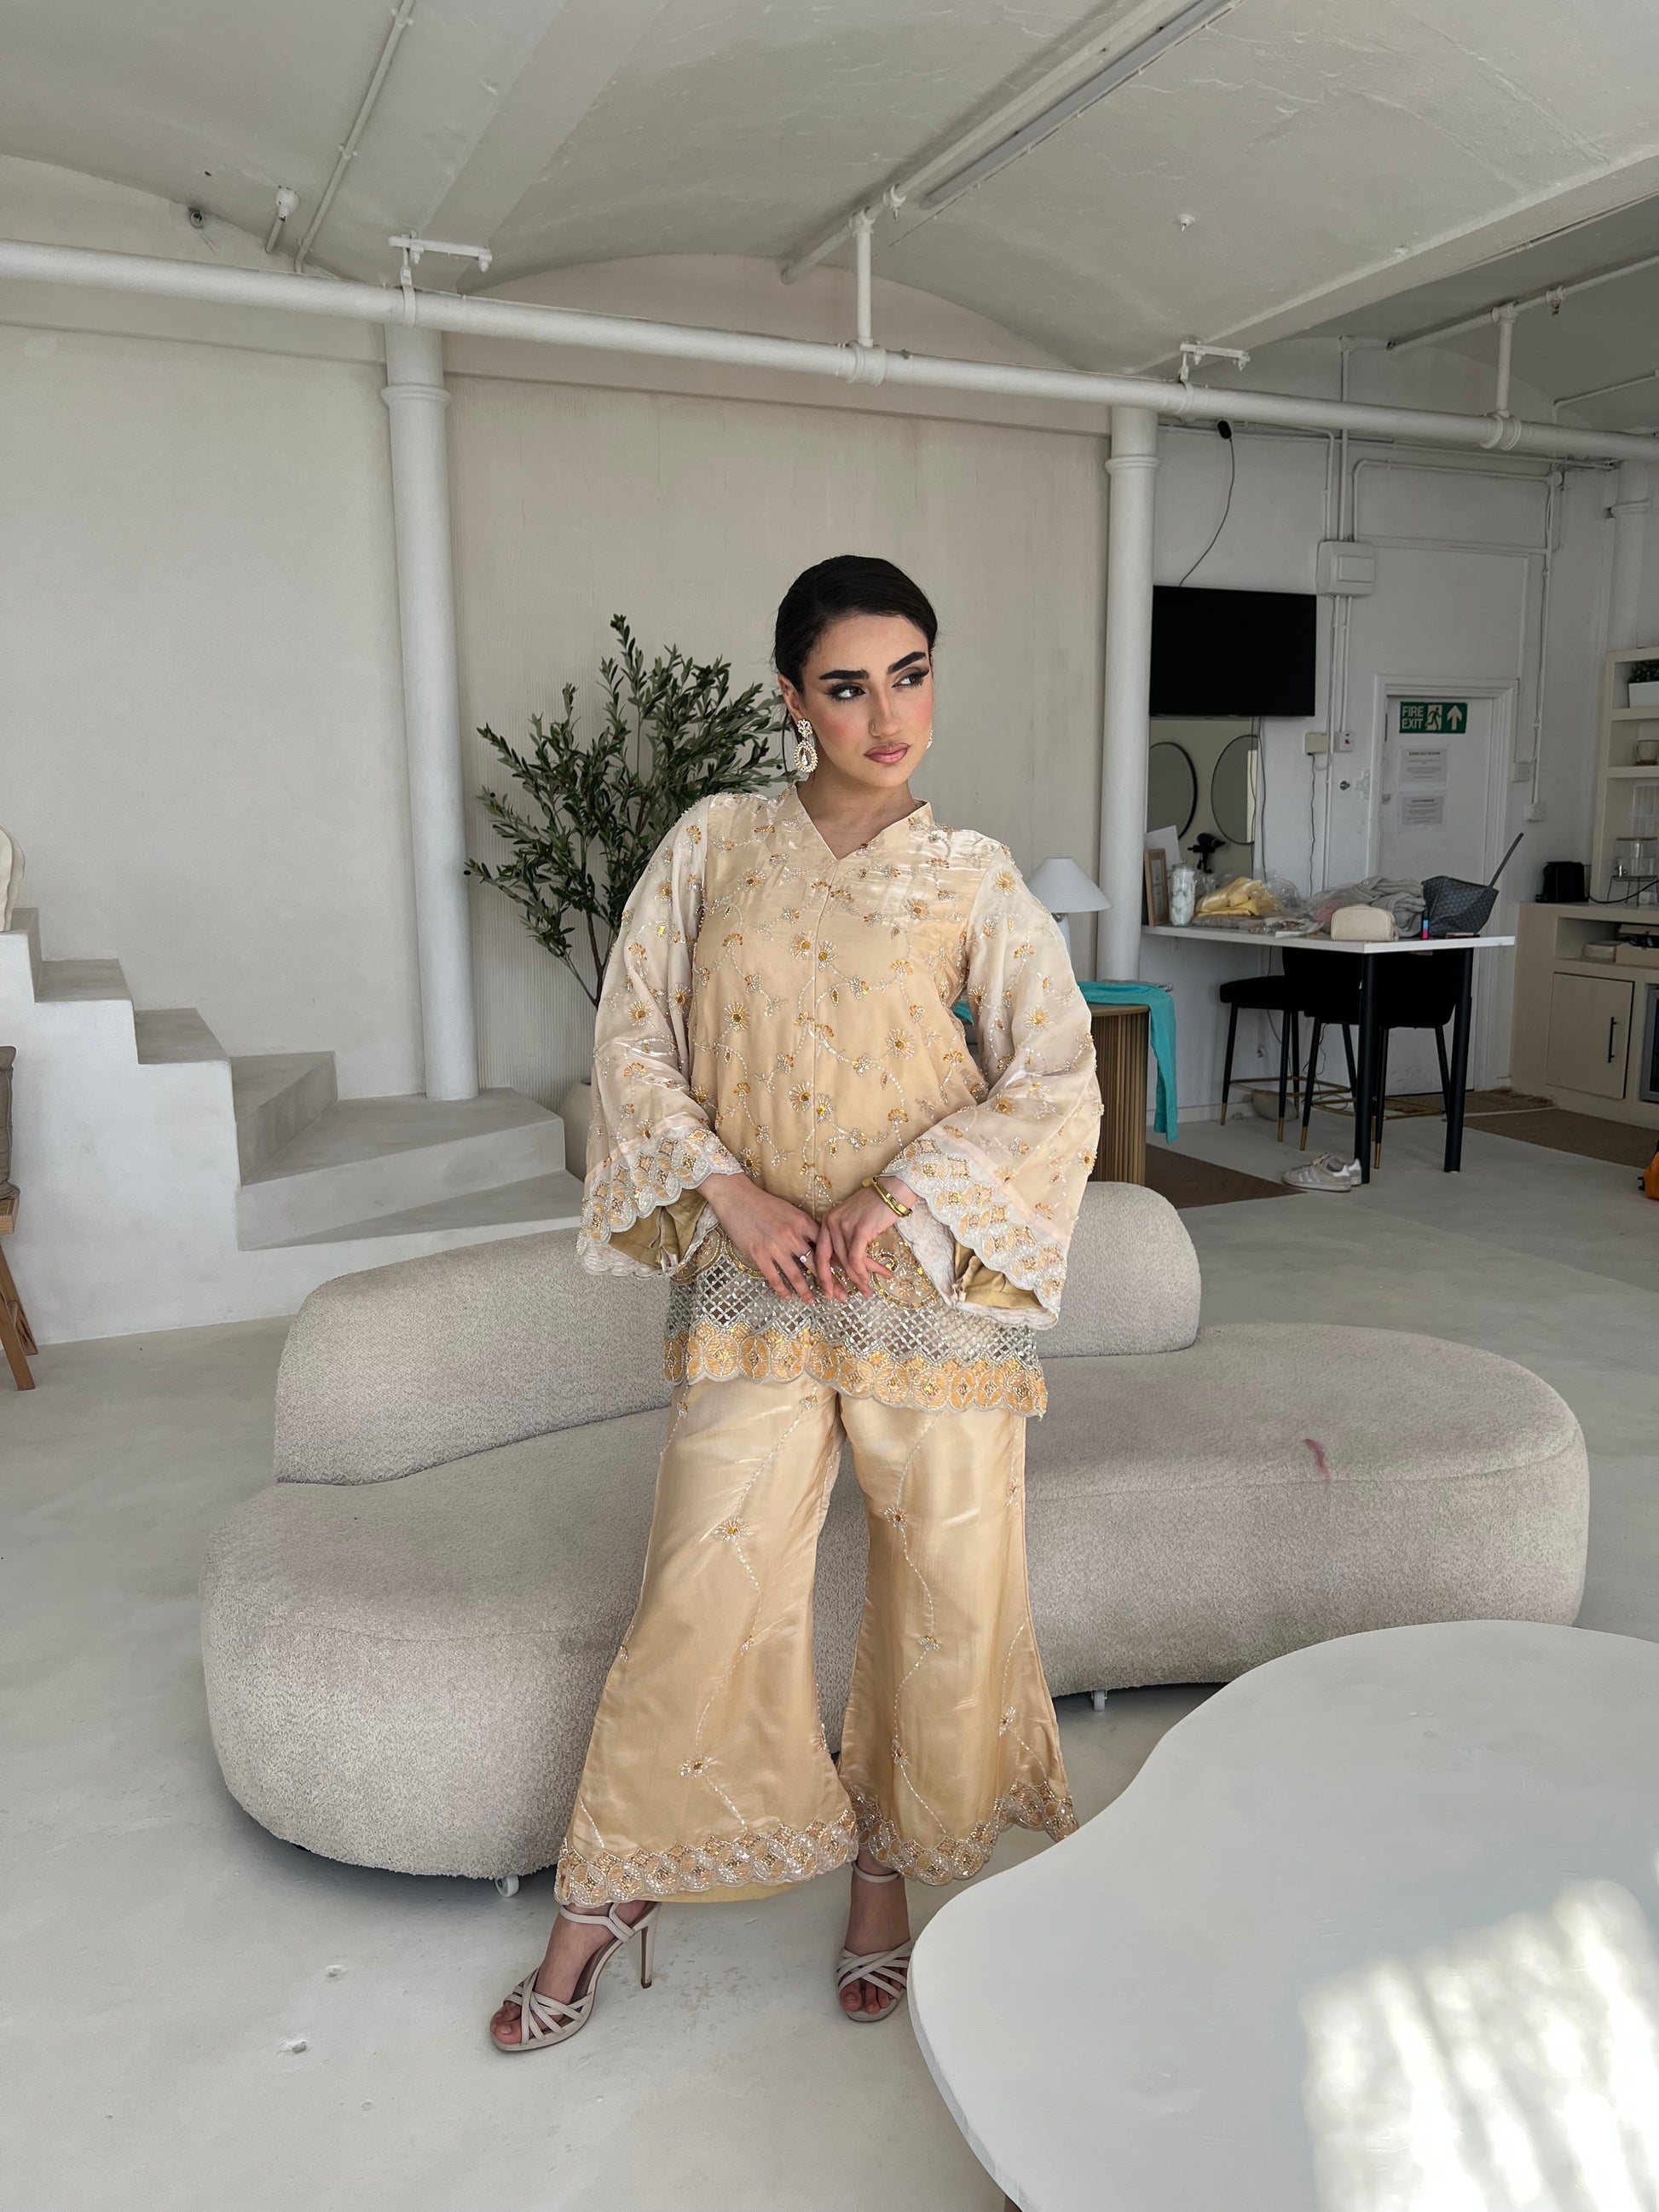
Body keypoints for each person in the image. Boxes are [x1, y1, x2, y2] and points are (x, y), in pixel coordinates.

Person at [490, 554, 1102, 2049]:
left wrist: (901, 1197)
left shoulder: (974, 877)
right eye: (847, 686)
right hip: (756, 1282)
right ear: (792, 699)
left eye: (910, 676)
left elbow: (1054, 1077)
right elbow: (633, 1036)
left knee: (948, 1586)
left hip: (921, 1289)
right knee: (701, 1578)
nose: (887, 716)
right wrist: (730, 1194)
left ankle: (885, 1875)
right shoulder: (714, 843)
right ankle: (612, 1889)